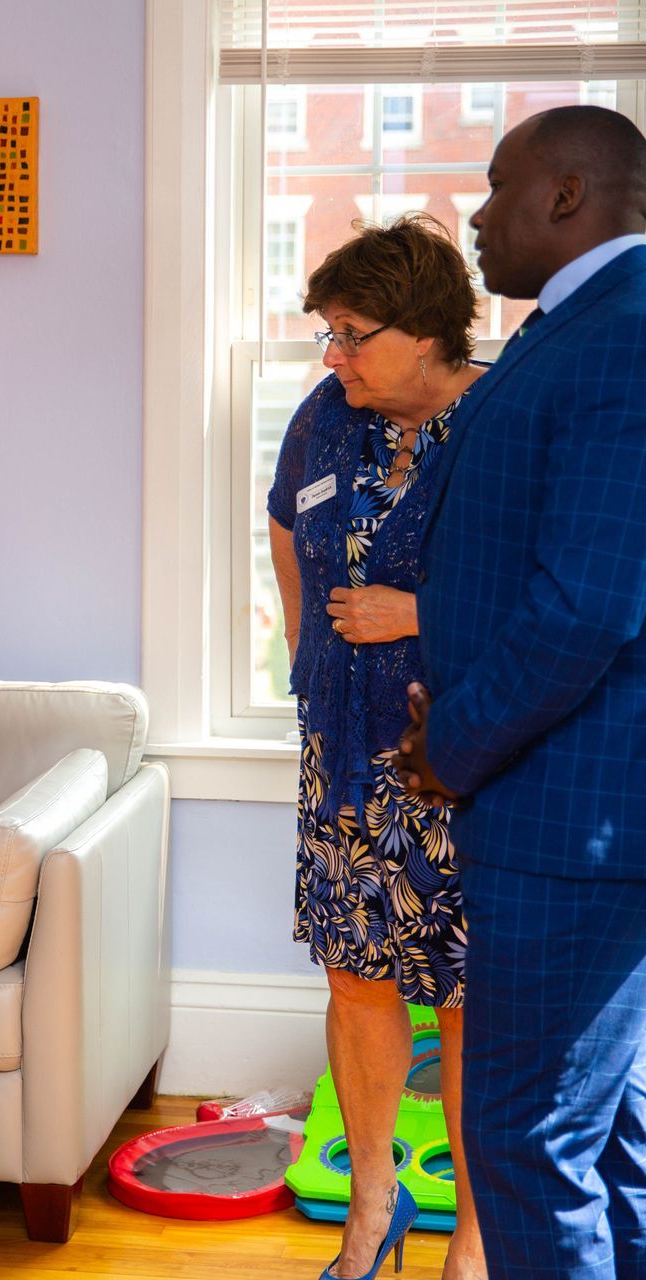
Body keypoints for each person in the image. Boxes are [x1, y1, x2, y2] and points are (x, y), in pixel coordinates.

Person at [398, 106, 646, 1280]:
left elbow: (589, 605)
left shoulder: (628, 333)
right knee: (603, 1143)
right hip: (555, 808)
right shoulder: (577, 327)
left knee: (525, 1138)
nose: (477, 215)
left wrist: (456, 739)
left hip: (572, 819)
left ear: (566, 193)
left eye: (496, 189)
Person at [267, 215, 488, 1280]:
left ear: (426, 332)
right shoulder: (323, 419)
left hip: (460, 762)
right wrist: (316, 649)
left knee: (463, 992)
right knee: (356, 976)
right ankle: (370, 1211)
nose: (334, 356)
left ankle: (477, 1241)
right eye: (329, 333)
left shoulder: (500, 422)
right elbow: (283, 523)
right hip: (341, 753)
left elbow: (557, 601)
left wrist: (416, 616)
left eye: (352, 334)